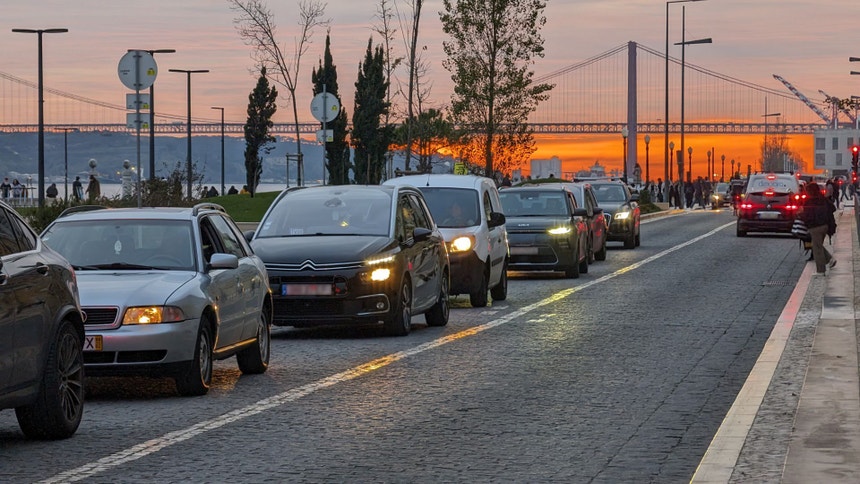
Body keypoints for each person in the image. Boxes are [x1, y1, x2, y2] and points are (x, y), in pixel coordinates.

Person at [800, 182, 837, 275]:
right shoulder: (823, 199)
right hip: (825, 226)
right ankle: (830, 259)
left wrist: (800, 215)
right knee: (818, 245)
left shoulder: (809, 202)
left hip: (815, 227)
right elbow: (833, 208)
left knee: (817, 248)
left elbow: (807, 215)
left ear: (810, 191)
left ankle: (821, 270)